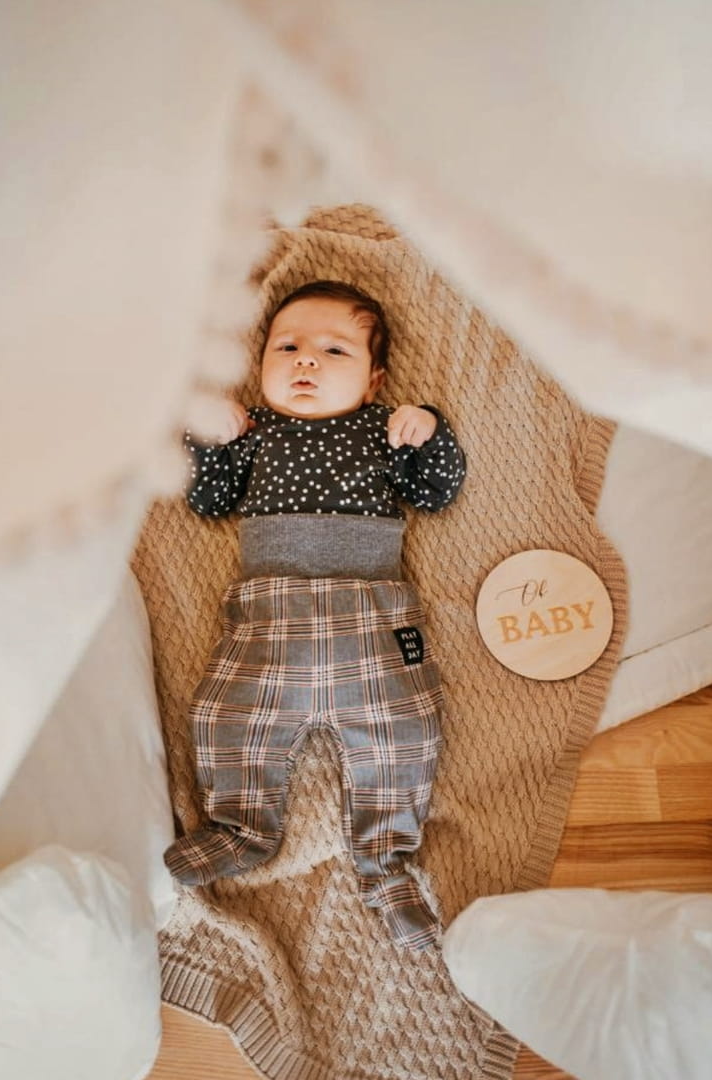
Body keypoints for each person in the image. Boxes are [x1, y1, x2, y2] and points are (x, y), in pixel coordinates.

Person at [164, 280, 466, 949]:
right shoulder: (253, 431)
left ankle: (385, 864)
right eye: (288, 347)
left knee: (405, 732)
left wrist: (428, 429)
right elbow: (209, 501)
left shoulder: (383, 428)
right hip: (272, 620)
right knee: (223, 715)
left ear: (374, 379)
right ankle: (243, 828)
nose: (306, 360)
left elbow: (437, 492)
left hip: (372, 620)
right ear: (260, 362)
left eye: (335, 351)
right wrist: (208, 438)